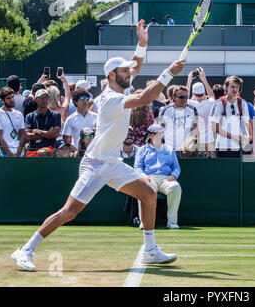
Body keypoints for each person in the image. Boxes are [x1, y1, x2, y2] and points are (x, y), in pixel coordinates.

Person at [11, 19, 185, 271]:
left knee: (148, 194)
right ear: (112, 76)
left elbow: (135, 66)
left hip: (113, 163)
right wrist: (169, 72)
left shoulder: (121, 86)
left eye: (128, 71)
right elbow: (146, 96)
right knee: (69, 212)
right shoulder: (111, 99)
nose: (130, 73)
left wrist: (142, 44)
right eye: (125, 72)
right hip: (94, 165)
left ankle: (149, 250)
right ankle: (25, 250)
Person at [134, 124, 182, 229]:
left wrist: (174, 175)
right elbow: (137, 167)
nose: (159, 136)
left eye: (160, 134)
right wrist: (143, 175)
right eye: (156, 134)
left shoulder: (169, 149)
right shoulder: (142, 150)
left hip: (166, 179)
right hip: (149, 177)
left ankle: (172, 222)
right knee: (144, 188)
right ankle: (144, 222)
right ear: (150, 135)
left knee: (175, 188)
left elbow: (176, 167)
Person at [210, 76, 250, 158]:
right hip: (222, 147)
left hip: (239, 148)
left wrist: (247, 138)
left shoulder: (243, 103)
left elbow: (247, 124)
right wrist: (234, 137)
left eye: (237, 87)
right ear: (226, 87)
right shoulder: (219, 103)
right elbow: (214, 127)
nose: (235, 89)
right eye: (232, 86)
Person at [159, 85, 198, 151]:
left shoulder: (192, 109)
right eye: (181, 97)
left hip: (186, 149)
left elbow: (195, 128)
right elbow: (161, 130)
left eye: (186, 97)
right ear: (174, 97)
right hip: (169, 149)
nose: (184, 99)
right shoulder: (166, 110)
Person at [24, 89, 62, 157]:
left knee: (44, 153)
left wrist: (38, 131)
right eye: (41, 98)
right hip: (33, 151)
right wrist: (48, 133)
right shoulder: (29, 116)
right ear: (35, 100)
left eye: (46, 98)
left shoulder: (56, 115)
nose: (44, 100)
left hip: (50, 151)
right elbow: (27, 136)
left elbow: (55, 134)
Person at [186, 68, 216, 153]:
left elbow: (184, 96)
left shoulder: (189, 104)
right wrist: (204, 79)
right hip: (208, 141)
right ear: (204, 94)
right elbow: (211, 95)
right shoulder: (209, 103)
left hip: (193, 141)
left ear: (193, 94)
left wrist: (189, 81)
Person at [0, 87, 26, 157]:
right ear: (2, 100)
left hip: (19, 153)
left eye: (12, 97)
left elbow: (22, 135)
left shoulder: (19, 114)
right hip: (4, 154)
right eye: (8, 98)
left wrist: (18, 152)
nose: (12, 100)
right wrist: (9, 153)